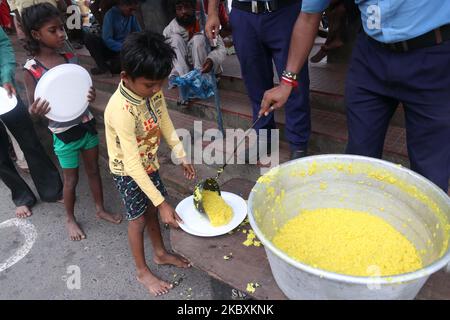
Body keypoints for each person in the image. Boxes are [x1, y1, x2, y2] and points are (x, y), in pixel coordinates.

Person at [260, 0, 450, 192]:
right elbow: (309, 17)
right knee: (360, 160)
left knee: (430, 174)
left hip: (433, 56)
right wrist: (286, 82)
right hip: (370, 57)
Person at [104, 31, 196, 296]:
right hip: (128, 171)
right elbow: (132, 164)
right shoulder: (121, 110)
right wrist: (162, 201)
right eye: (149, 85)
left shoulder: (152, 90)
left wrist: (180, 153)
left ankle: (159, 253)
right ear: (125, 77)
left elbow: (164, 121)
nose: (156, 89)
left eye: (161, 82)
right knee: (138, 220)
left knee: (153, 211)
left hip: (149, 163)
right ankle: (142, 271)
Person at [21, 3, 122, 241]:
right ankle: (70, 218)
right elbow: (32, 108)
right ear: (36, 34)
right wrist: (35, 110)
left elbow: (82, 88)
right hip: (63, 134)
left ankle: (99, 209)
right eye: (53, 30)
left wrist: (91, 95)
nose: (61, 34)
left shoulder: (69, 57)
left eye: (61, 28)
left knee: (94, 170)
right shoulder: (32, 69)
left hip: (85, 124)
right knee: (71, 179)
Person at [206, 0, 311, 161]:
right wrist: (212, 12)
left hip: (284, 11)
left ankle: (298, 144)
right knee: (254, 82)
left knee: (294, 82)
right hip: (243, 14)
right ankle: (265, 138)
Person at [0, 26, 63, 218]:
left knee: (29, 140)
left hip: (3, 89)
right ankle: (21, 197)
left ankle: (51, 190)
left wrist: (6, 75)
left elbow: (2, 45)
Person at [164, 0, 226, 80]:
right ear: (175, 11)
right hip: (184, 74)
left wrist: (211, 60)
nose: (184, 11)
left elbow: (221, 49)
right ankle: (185, 80)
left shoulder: (206, 20)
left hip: (206, 70)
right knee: (174, 40)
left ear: (193, 7)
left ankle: (203, 82)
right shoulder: (169, 31)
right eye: (179, 8)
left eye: (187, 6)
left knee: (199, 38)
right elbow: (167, 59)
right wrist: (174, 74)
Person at [83, 0, 141, 75]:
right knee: (89, 38)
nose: (132, 12)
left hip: (123, 51)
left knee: (127, 62)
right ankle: (102, 67)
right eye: (130, 9)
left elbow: (139, 34)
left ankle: (110, 67)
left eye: (134, 10)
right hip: (112, 48)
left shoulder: (131, 17)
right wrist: (124, 48)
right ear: (122, 6)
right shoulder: (110, 14)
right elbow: (107, 39)